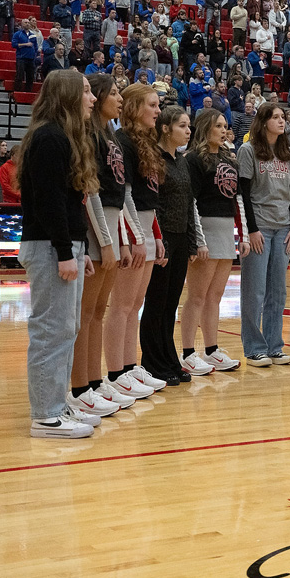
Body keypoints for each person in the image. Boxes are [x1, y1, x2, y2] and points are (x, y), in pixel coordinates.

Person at [17, 70, 101, 438]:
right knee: (51, 330)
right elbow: (48, 202)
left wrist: (79, 249)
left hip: (63, 247)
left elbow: (68, 204)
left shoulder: (62, 137)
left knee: (66, 329)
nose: (92, 99)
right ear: (67, 95)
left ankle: (57, 403)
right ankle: (46, 415)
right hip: (49, 247)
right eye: (86, 91)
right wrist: (66, 250)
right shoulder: (49, 138)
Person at [68, 75, 138, 419]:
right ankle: (79, 388)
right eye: (113, 93)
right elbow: (91, 192)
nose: (118, 99)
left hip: (111, 225)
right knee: (85, 313)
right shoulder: (88, 134)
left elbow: (121, 195)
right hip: (95, 229)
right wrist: (107, 242)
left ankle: (94, 382)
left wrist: (123, 239)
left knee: (98, 310)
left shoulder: (110, 135)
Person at [101, 83, 164, 403]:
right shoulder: (122, 141)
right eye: (152, 105)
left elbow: (150, 198)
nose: (158, 111)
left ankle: (129, 365)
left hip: (146, 226)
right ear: (135, 107)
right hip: (131, 226)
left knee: (135, 305)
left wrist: (156, 236)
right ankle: (116, 373)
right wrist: (135, 237)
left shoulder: (148, 142)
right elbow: (125, 196)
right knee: (122, 305)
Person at [182, 109, 248, 374]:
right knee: (197, 296)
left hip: (225, 229)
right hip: (205, 229)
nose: (224, 130)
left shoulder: (229, 159)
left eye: (225, 126)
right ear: (205, 127)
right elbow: (191, 202)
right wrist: (199, 240)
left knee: (215, 295)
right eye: (218, 126)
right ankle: (188, 353)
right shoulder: (193, 159)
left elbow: (238, 199)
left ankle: (211, 350)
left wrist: (242, 235)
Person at [139, 106, 201, 384]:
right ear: (165, 128)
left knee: (171, 304)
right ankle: (152, 362)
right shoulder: (154, 158)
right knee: (156, 303)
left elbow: (188, 203)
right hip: (161, 241)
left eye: (189, 126)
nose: (188, 131)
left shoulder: (182, 161)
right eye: (182, 126)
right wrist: (159, 240)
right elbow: (155, 204)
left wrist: (192, 242)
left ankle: (168, 359)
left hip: (180, 239)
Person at [238, 104, 290, 367]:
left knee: (278, 292)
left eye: (283, 117)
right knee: (254, 291)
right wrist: (250, 230)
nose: (281, 121)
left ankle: (275, 347)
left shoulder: (288, 153)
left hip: (283, 227)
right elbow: (243, 192)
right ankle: (254, 348)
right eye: (275, 117)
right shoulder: (248, 150)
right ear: (263, 122)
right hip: (259, 227)